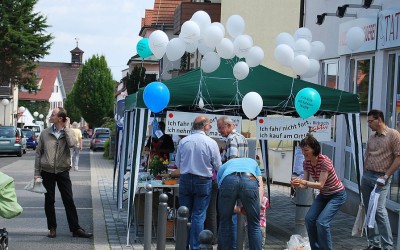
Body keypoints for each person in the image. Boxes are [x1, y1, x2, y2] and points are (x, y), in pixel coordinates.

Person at [34, 107, 93, 239]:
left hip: (62, 170)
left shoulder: (69, 132)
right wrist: (37, 173)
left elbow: (73, 144)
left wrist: (67, 128)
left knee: (68, 199)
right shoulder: (45, 133)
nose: (50, 116)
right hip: (47, 171)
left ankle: (76, 229)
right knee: (49, 201)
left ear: (60, 118)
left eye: (53, 114)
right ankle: (52, 228)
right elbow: (38, 154)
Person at [170, 115, 221, 250]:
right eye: (209, 125)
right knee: (199, 215)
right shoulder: (211, 142)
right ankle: (196, 246)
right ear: (204, 126)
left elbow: (177, 163)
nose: (210, 127)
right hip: (203, 181)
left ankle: (183, 245)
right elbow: (217, 165)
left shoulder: (184, 141)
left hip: (186, 179)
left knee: (184, 213)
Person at [291, 135, 347, 250]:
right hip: (324, 195)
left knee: (322, 222)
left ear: (314, 149)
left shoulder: (324, 161)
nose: (304, 153)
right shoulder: (306, 163)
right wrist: (296, 184)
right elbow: (304, 185)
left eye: (306, 150)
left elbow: (320, 184)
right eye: (302, 150)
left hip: (337, 195)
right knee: (309, 219)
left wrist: (303, 182)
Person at [361, 109, 400, 250]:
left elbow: (399, 157)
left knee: (379, 210)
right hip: (367, 176)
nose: (369, 124)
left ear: (379, 120)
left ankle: (388, 246)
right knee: (369, 209)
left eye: (371, 121)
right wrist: (364, 173)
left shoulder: (393, 135)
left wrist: (386, 176)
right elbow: (368, 156)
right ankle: (373, 243)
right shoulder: (372, 137)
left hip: (382, 177)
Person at [217, 157, 264, 250]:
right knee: (254, 224)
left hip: (228, 179)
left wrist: (234, 207)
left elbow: (221, 188)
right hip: (250, 178)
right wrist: (257, 205)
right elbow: (260, 185)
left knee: (224, 222)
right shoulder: (253, 162)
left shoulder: (226, 164)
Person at [217, 115, 249, 249]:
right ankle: (235, 245)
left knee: (230, 216)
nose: (219, 130)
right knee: (237, 215)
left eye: (221, 127)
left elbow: (232, 161)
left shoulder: (231, 138)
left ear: (229, 126)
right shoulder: (242, 137)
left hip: (232, 181)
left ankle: (231, 246)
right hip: (244, 180)